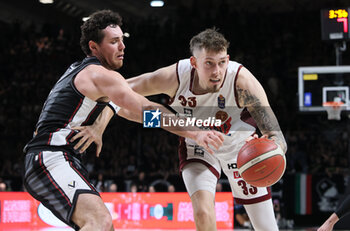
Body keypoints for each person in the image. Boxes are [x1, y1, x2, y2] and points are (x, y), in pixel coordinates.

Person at [22, 11, 224, 231]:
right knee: (99, 222)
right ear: (94, 46)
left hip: (58, 158)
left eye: (122, 40)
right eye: (114, 41)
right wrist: (196, 133)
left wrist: (100, 126)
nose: (122, 46)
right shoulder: (99, 75)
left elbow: (133, 112)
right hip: (50, 158)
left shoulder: (85, 73)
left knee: (105, 227)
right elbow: (145, 108)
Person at [78, 28, 287, 231]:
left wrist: (270, 150)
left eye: (222, 63)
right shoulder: (175, 76)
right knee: (203, 213)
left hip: (242, 151)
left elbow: (277, 136)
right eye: (209, 64)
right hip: (198, 145)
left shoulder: (242, 80)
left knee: (266, 227)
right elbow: (118, 91)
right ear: (194, 63)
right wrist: (99, 125)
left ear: (228, 59)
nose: (217, 71)